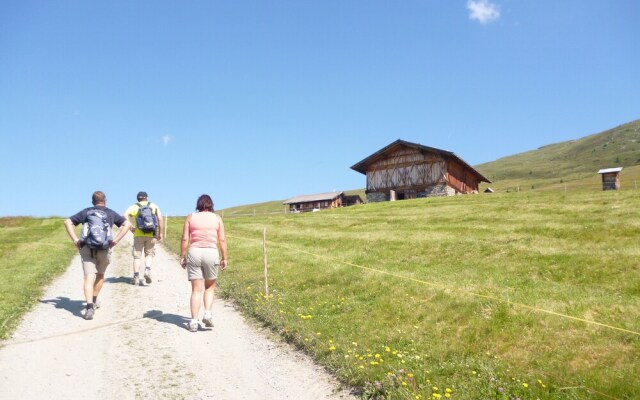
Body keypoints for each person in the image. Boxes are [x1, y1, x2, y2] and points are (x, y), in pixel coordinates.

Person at [64, 191, 132, 320]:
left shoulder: (87, 212)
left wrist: (75, 240)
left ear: (92, 201)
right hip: (104, 248)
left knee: (88, 277)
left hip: (87, 247)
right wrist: (115, 240)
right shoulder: (110, 212)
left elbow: (67, 222)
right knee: (100, 275)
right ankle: (94, 300)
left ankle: (89, 307)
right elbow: (127, 224)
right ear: (105, 200)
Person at [179, 194, 228, 332]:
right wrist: (224, 257)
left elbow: (184, 239)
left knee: (196, 290)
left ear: (198, 205)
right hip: (211, 253)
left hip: (194, 252)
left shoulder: (191, 217)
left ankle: (193, 322)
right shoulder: (217, 218)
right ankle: (207, 313)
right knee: (210, 287)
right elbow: (222, 240)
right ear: (211, 205)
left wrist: (182, 256)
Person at [124, 191, 164, 286]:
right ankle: (147, 270)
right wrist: (161, 233)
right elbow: (160, 219)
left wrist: (130, 227)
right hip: (151, 234)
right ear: (147, 198)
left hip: (138, 234)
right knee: (149, 254)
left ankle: (136, 277)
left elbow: (125, 215)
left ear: (138, 198)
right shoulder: (153, 205)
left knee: (137, 256)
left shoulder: (134, 206)